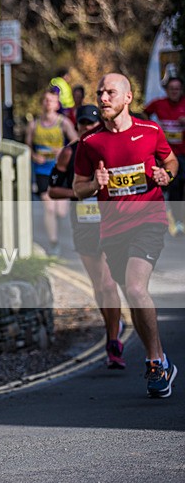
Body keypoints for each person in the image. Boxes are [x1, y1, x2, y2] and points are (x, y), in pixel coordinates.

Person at [73, 73, 179, 398]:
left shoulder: (150, 132)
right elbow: (79, 189)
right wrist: (96, 184)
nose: (103, 98)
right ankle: (160, 359)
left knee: (135, 286)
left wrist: (166, 175)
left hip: (149, 220)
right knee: (132, 294)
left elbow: (171, 161)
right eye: (100, 92)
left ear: (128, 97)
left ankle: (155, 360)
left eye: (110, 92)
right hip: (113, 232)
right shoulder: (89, 143)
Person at [49, 104, 124, 368]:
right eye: (82, 125)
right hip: (83, 226)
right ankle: (112, 323)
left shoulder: (112, 148)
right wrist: (80, 192)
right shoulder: (69, 153)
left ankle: (113, 342)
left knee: (108, 284)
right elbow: (54, 191)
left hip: (111, 225)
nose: (86, 129)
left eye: (91, 125)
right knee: (98, 286)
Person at [26, 89, 78, 255]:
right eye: (46, 100)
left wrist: (63, 150)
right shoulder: (34, 124)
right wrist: (34, 156)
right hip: (42, 170)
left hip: (60, 169)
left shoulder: (63, 123)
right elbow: (27, 145)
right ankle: (54, 243)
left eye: (52, 101)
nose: (48, 103)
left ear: (57, 104)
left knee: (61, 211)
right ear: (42, 103)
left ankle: (62, 234)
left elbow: (76, 140)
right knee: (49, 209)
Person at [144, 76, 185, 236]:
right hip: (167, 154)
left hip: (184, 152)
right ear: (167, 90)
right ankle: (178, 221)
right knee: (174, 187)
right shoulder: (158, 104)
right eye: (171, 89)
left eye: (177, 89)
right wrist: (154, 127)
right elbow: (144, 113)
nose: (174, 91)